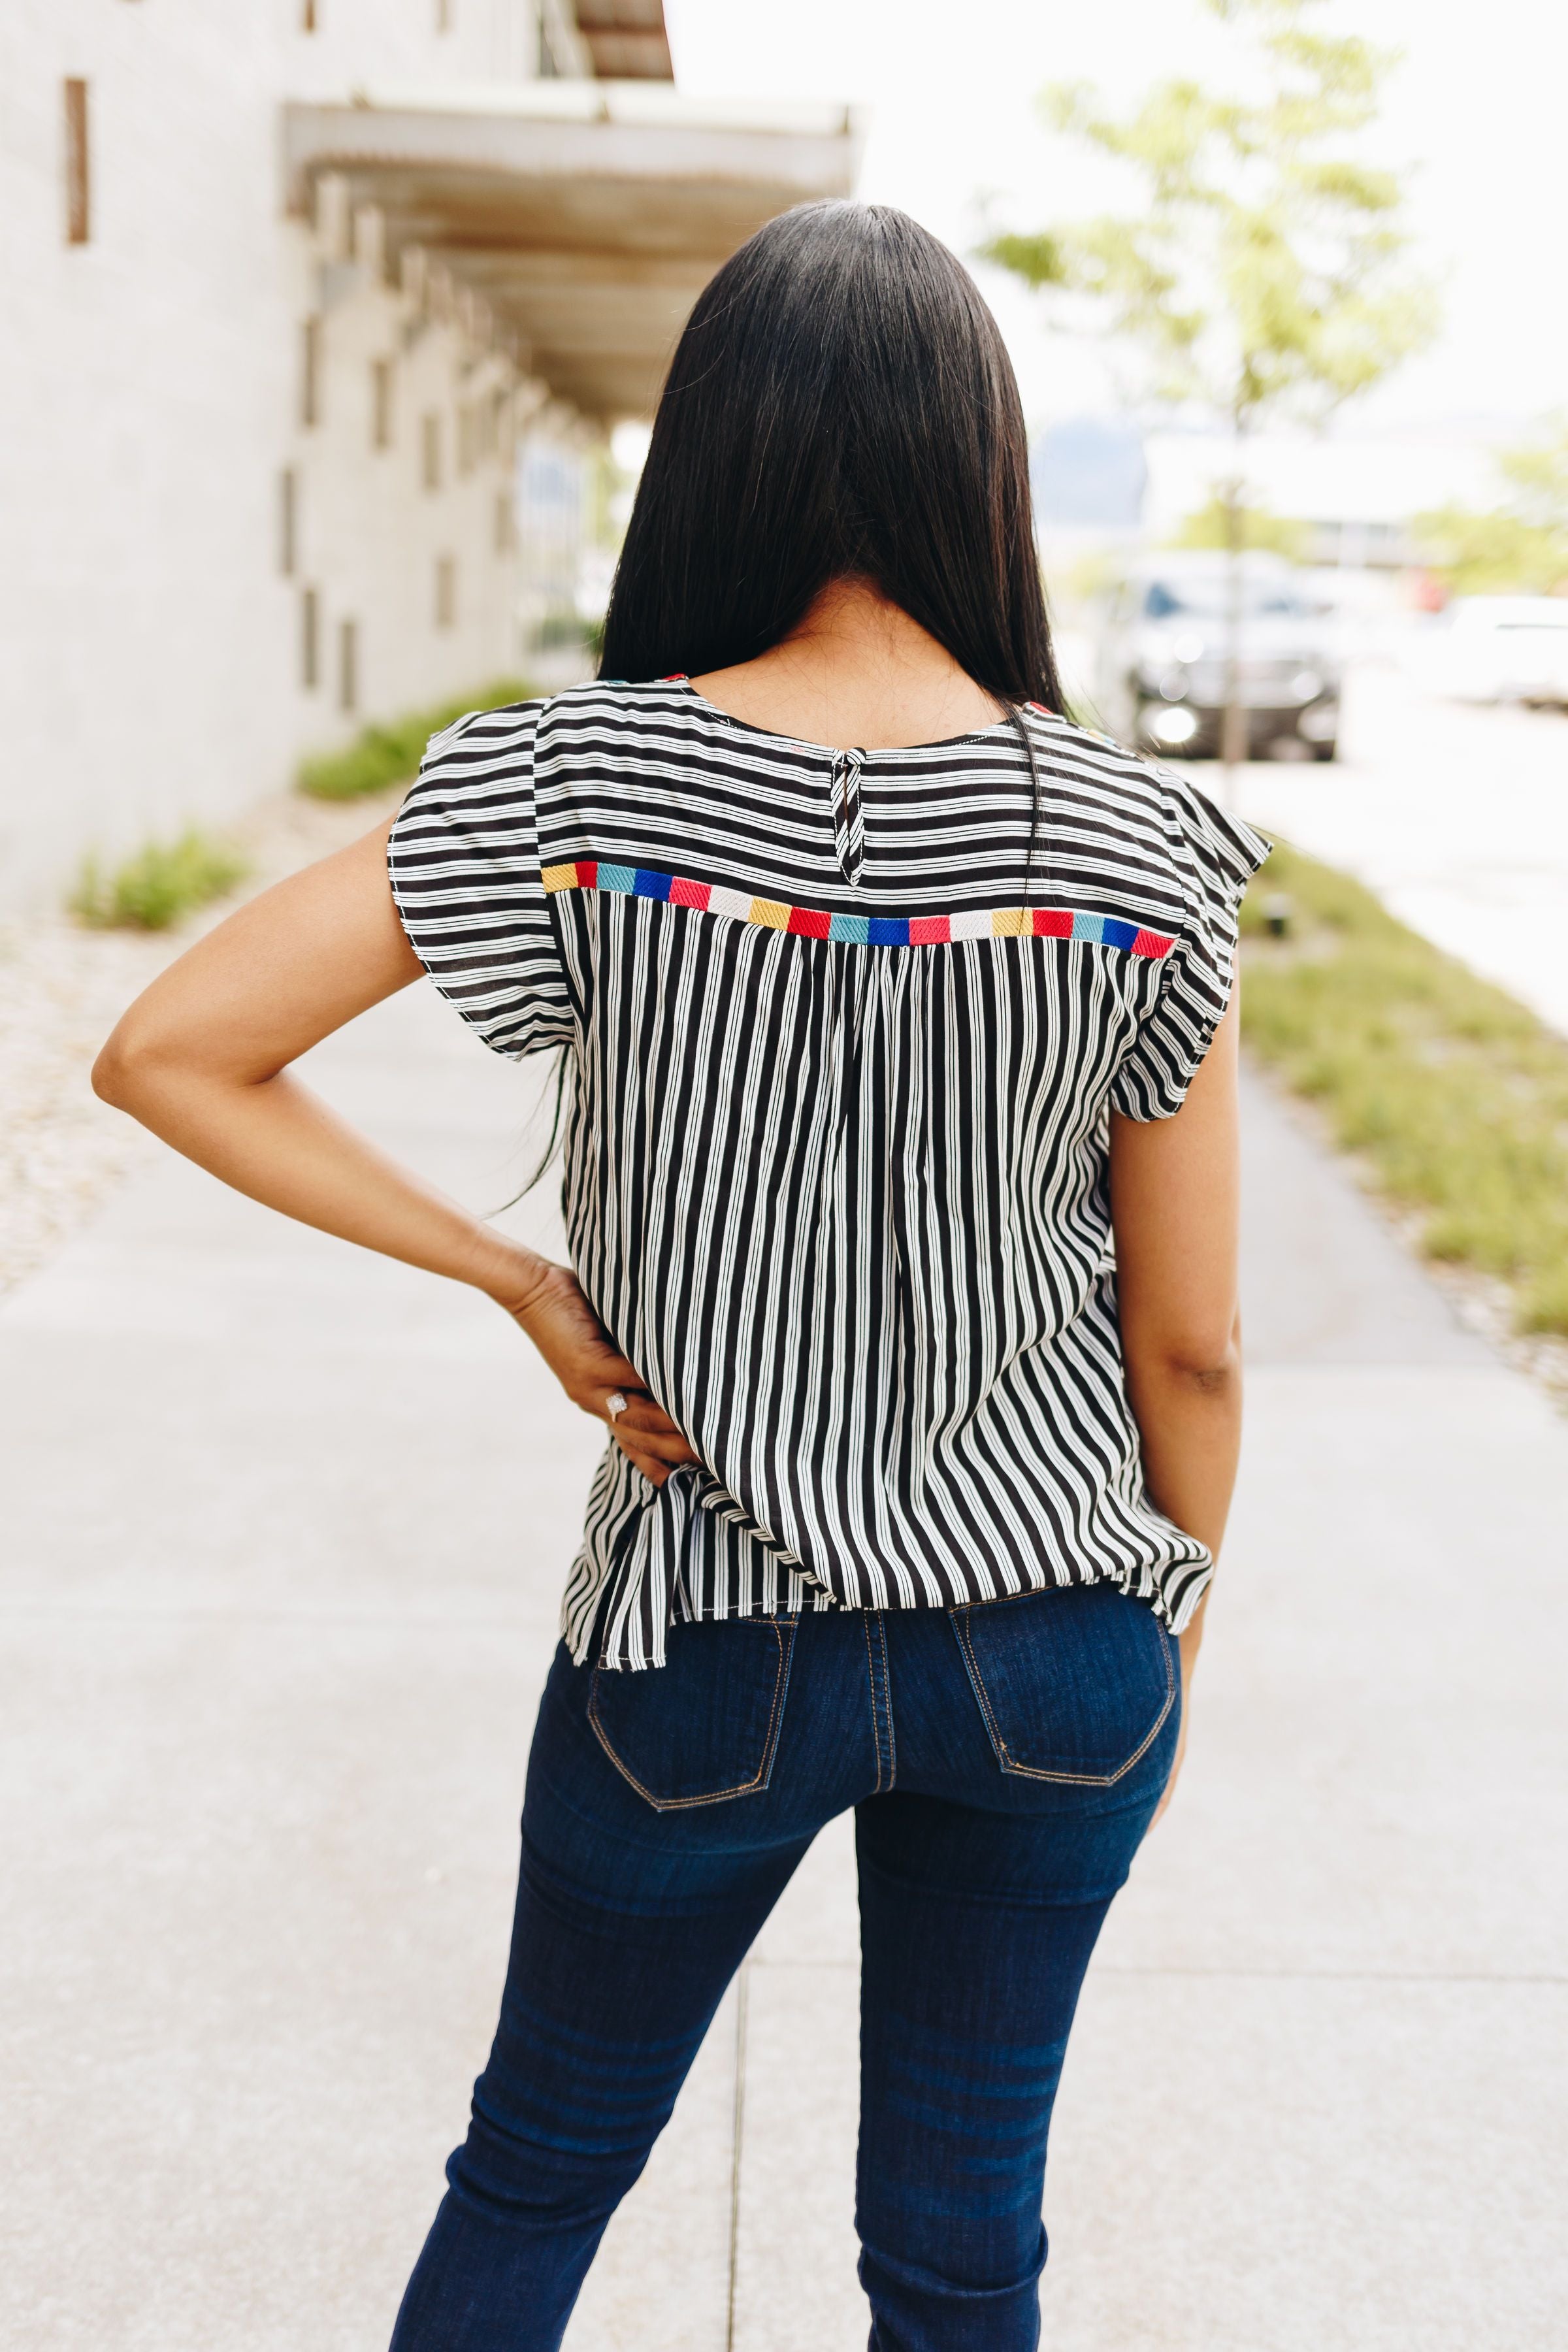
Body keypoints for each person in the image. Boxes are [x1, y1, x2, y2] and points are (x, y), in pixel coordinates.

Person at [93, 201, 1267, 2352]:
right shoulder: (1139, 846)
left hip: (698, 1642)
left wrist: (512, 1279)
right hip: (1056, 1643)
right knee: (957, 2252)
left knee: (536, 2177)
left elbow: (171, 1048)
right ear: (976, 465)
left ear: (708, 453)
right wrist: (1169, 1632)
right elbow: (1186, 1344)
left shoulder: (570, 786)